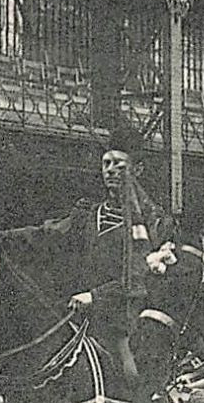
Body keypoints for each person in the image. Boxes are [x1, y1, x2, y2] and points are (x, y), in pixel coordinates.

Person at [60, 120, 169, 315]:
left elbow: (139, 275)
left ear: (137, 170)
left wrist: (95, 296)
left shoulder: (153, 221)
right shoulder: (89, 214)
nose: (110, 170)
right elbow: (49, 233)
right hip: (84, 313)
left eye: (119, 164)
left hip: (129, 322)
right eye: (106, 164)